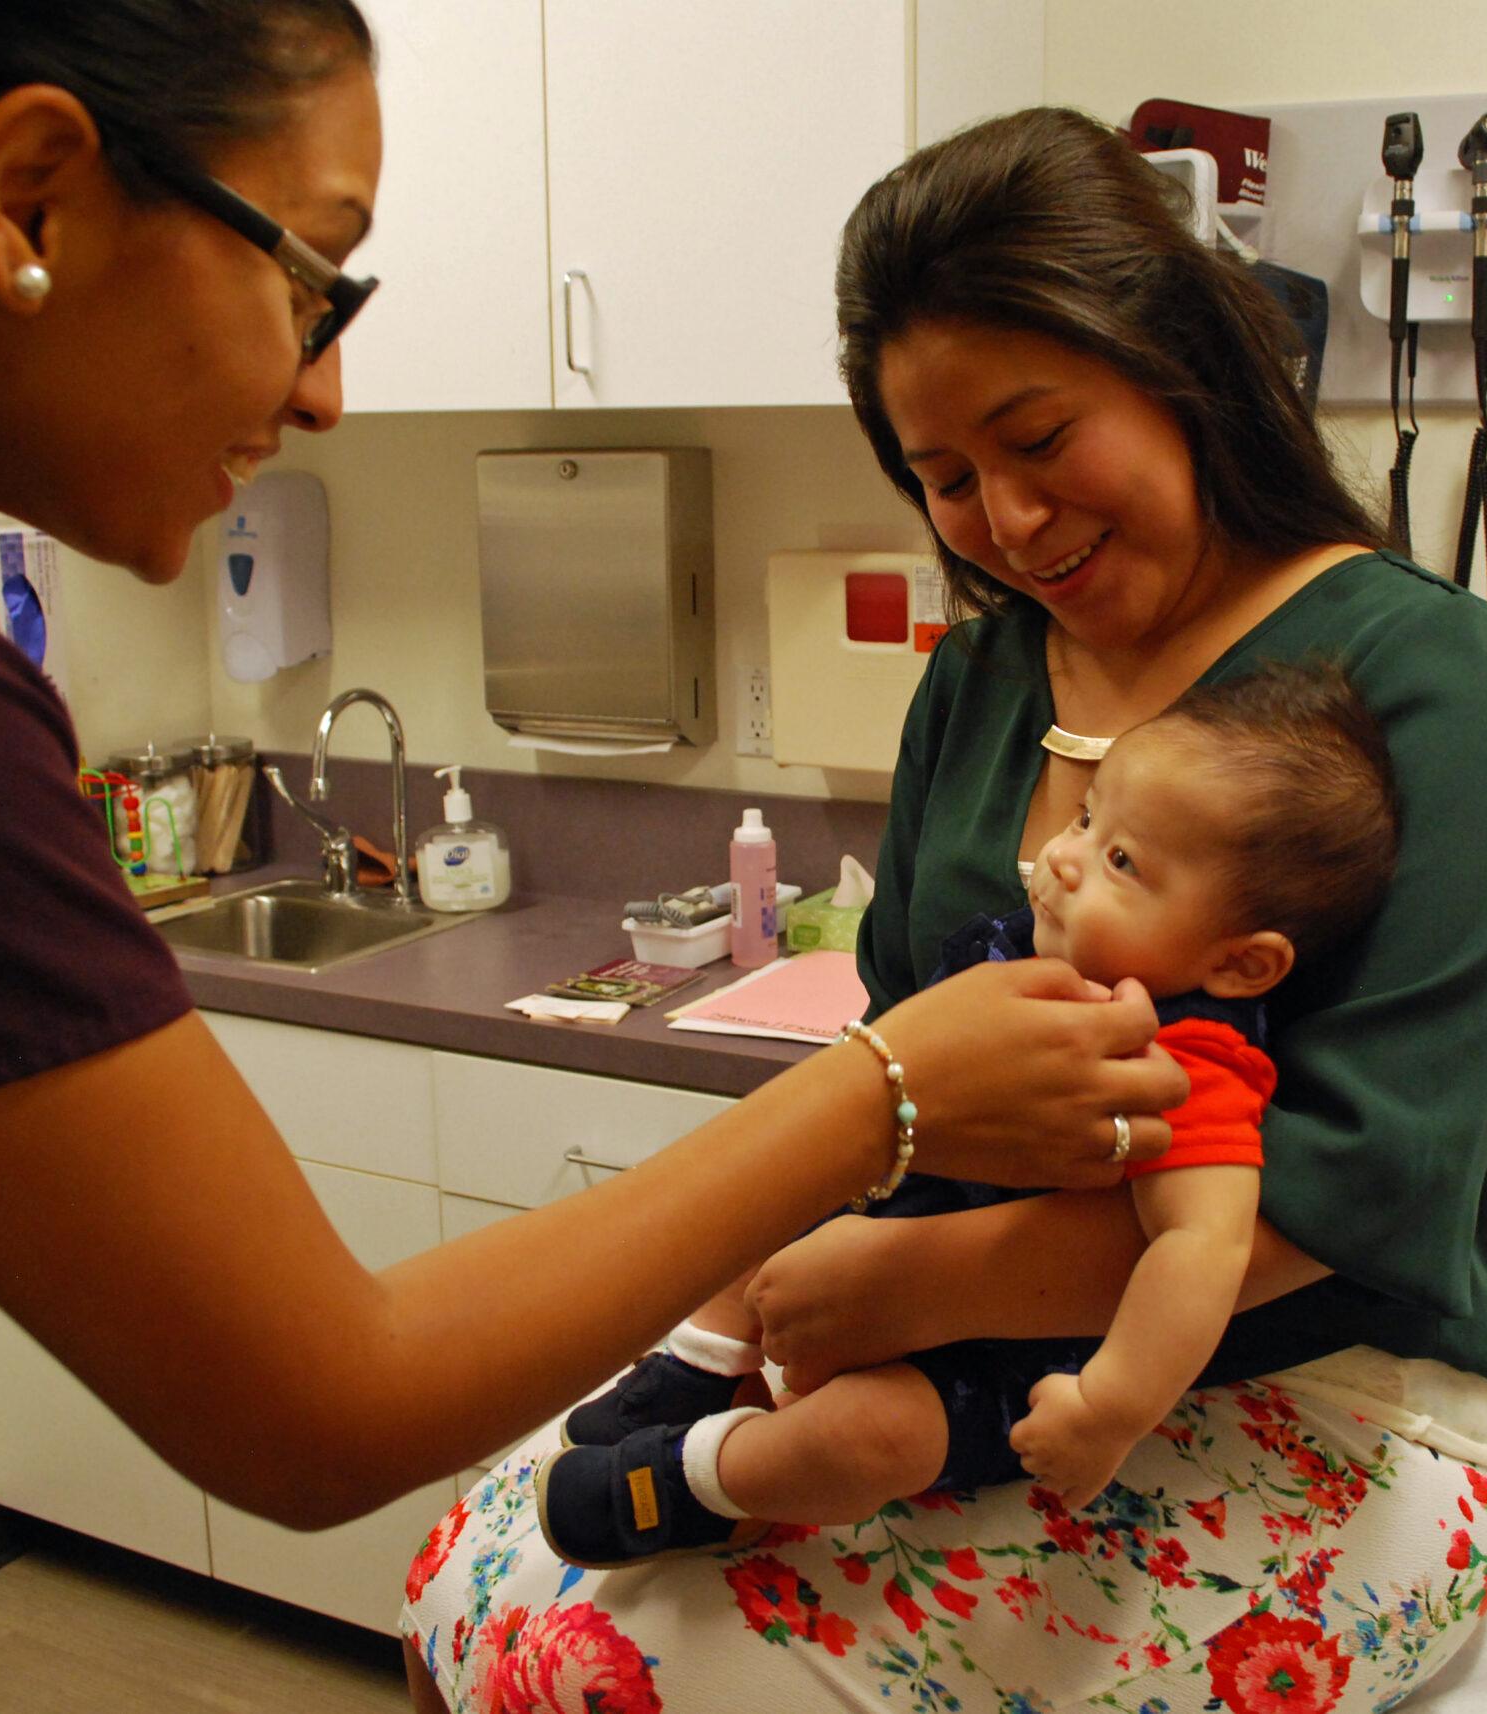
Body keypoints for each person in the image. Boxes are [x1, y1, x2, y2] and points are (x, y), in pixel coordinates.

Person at [0, 17, 1187, 1713]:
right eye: (319, 279)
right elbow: (316, 1399)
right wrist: (884, 1089)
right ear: (28, 197)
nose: (325, 389)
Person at [401, 106, 1487, 1714]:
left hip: (1328, 1378)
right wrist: (826, 1269)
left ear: (1176, 366)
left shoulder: (1436, 682)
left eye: (1039, 440)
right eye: (946, 477)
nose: (1008, 523)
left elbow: (1364, 1189)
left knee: (613, 1675)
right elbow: (902, 1044)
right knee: (479, 1577)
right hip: (950, 1344)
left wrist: (898, 1289)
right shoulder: (983, 676)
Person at [530, 661, 1400, 1570]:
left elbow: (1203, 1250)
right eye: (1088, 818)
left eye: (1121, 861)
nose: (1063, 854)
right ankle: (699, 1368)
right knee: (780, 1178)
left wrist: (1109, 1406)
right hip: (882, 1234)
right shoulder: (1033, 959)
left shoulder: (1189, 1064)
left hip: (1003, 1358)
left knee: (866, 1440)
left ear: (1243, 965)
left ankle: (701, 1483)